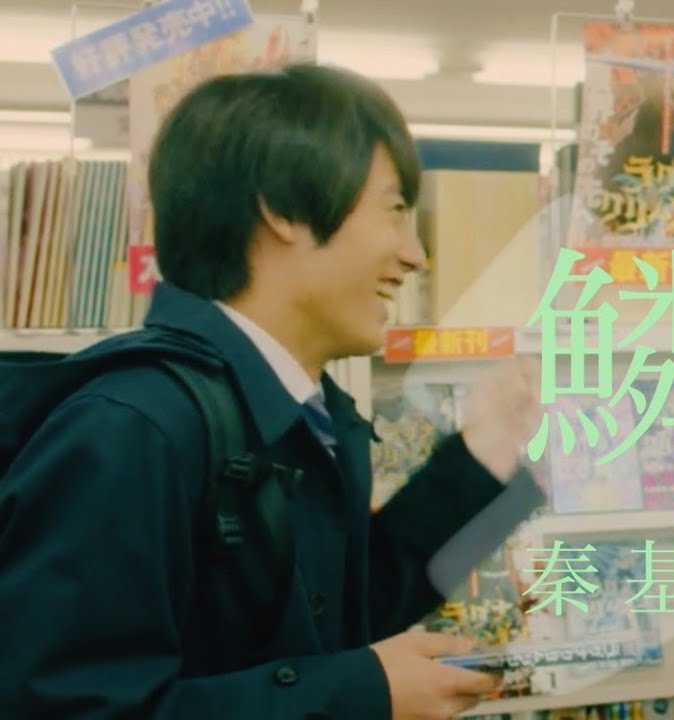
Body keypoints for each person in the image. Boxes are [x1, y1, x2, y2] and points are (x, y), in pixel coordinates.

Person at [0, 64, 545, 719]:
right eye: (395, 210)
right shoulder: (132, 429)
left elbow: (338, 615)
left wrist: (484, 454)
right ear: (283, 209)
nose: (415, 255)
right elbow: (63, 709)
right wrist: (360, 693)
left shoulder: (305, 413)